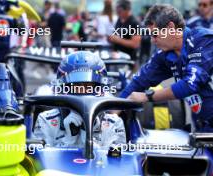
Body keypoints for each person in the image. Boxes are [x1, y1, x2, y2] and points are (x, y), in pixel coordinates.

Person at [120, 4, 213, 132]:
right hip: (203, 127)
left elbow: (190, 85)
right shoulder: (164, 55)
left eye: (155, 35)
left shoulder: (204, 41)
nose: (152, 40)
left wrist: (148, 97)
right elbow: (138, 82)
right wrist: (113, 111)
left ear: (170, 27)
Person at [33, 51, 126, 147]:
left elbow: (116, 161)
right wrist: (69, 140)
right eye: (76, 85)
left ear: (101, 87)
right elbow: (42, 159)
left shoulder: (114, 123)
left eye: (88, 86)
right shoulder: (46, 120)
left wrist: (87, 135)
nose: (83, 91)